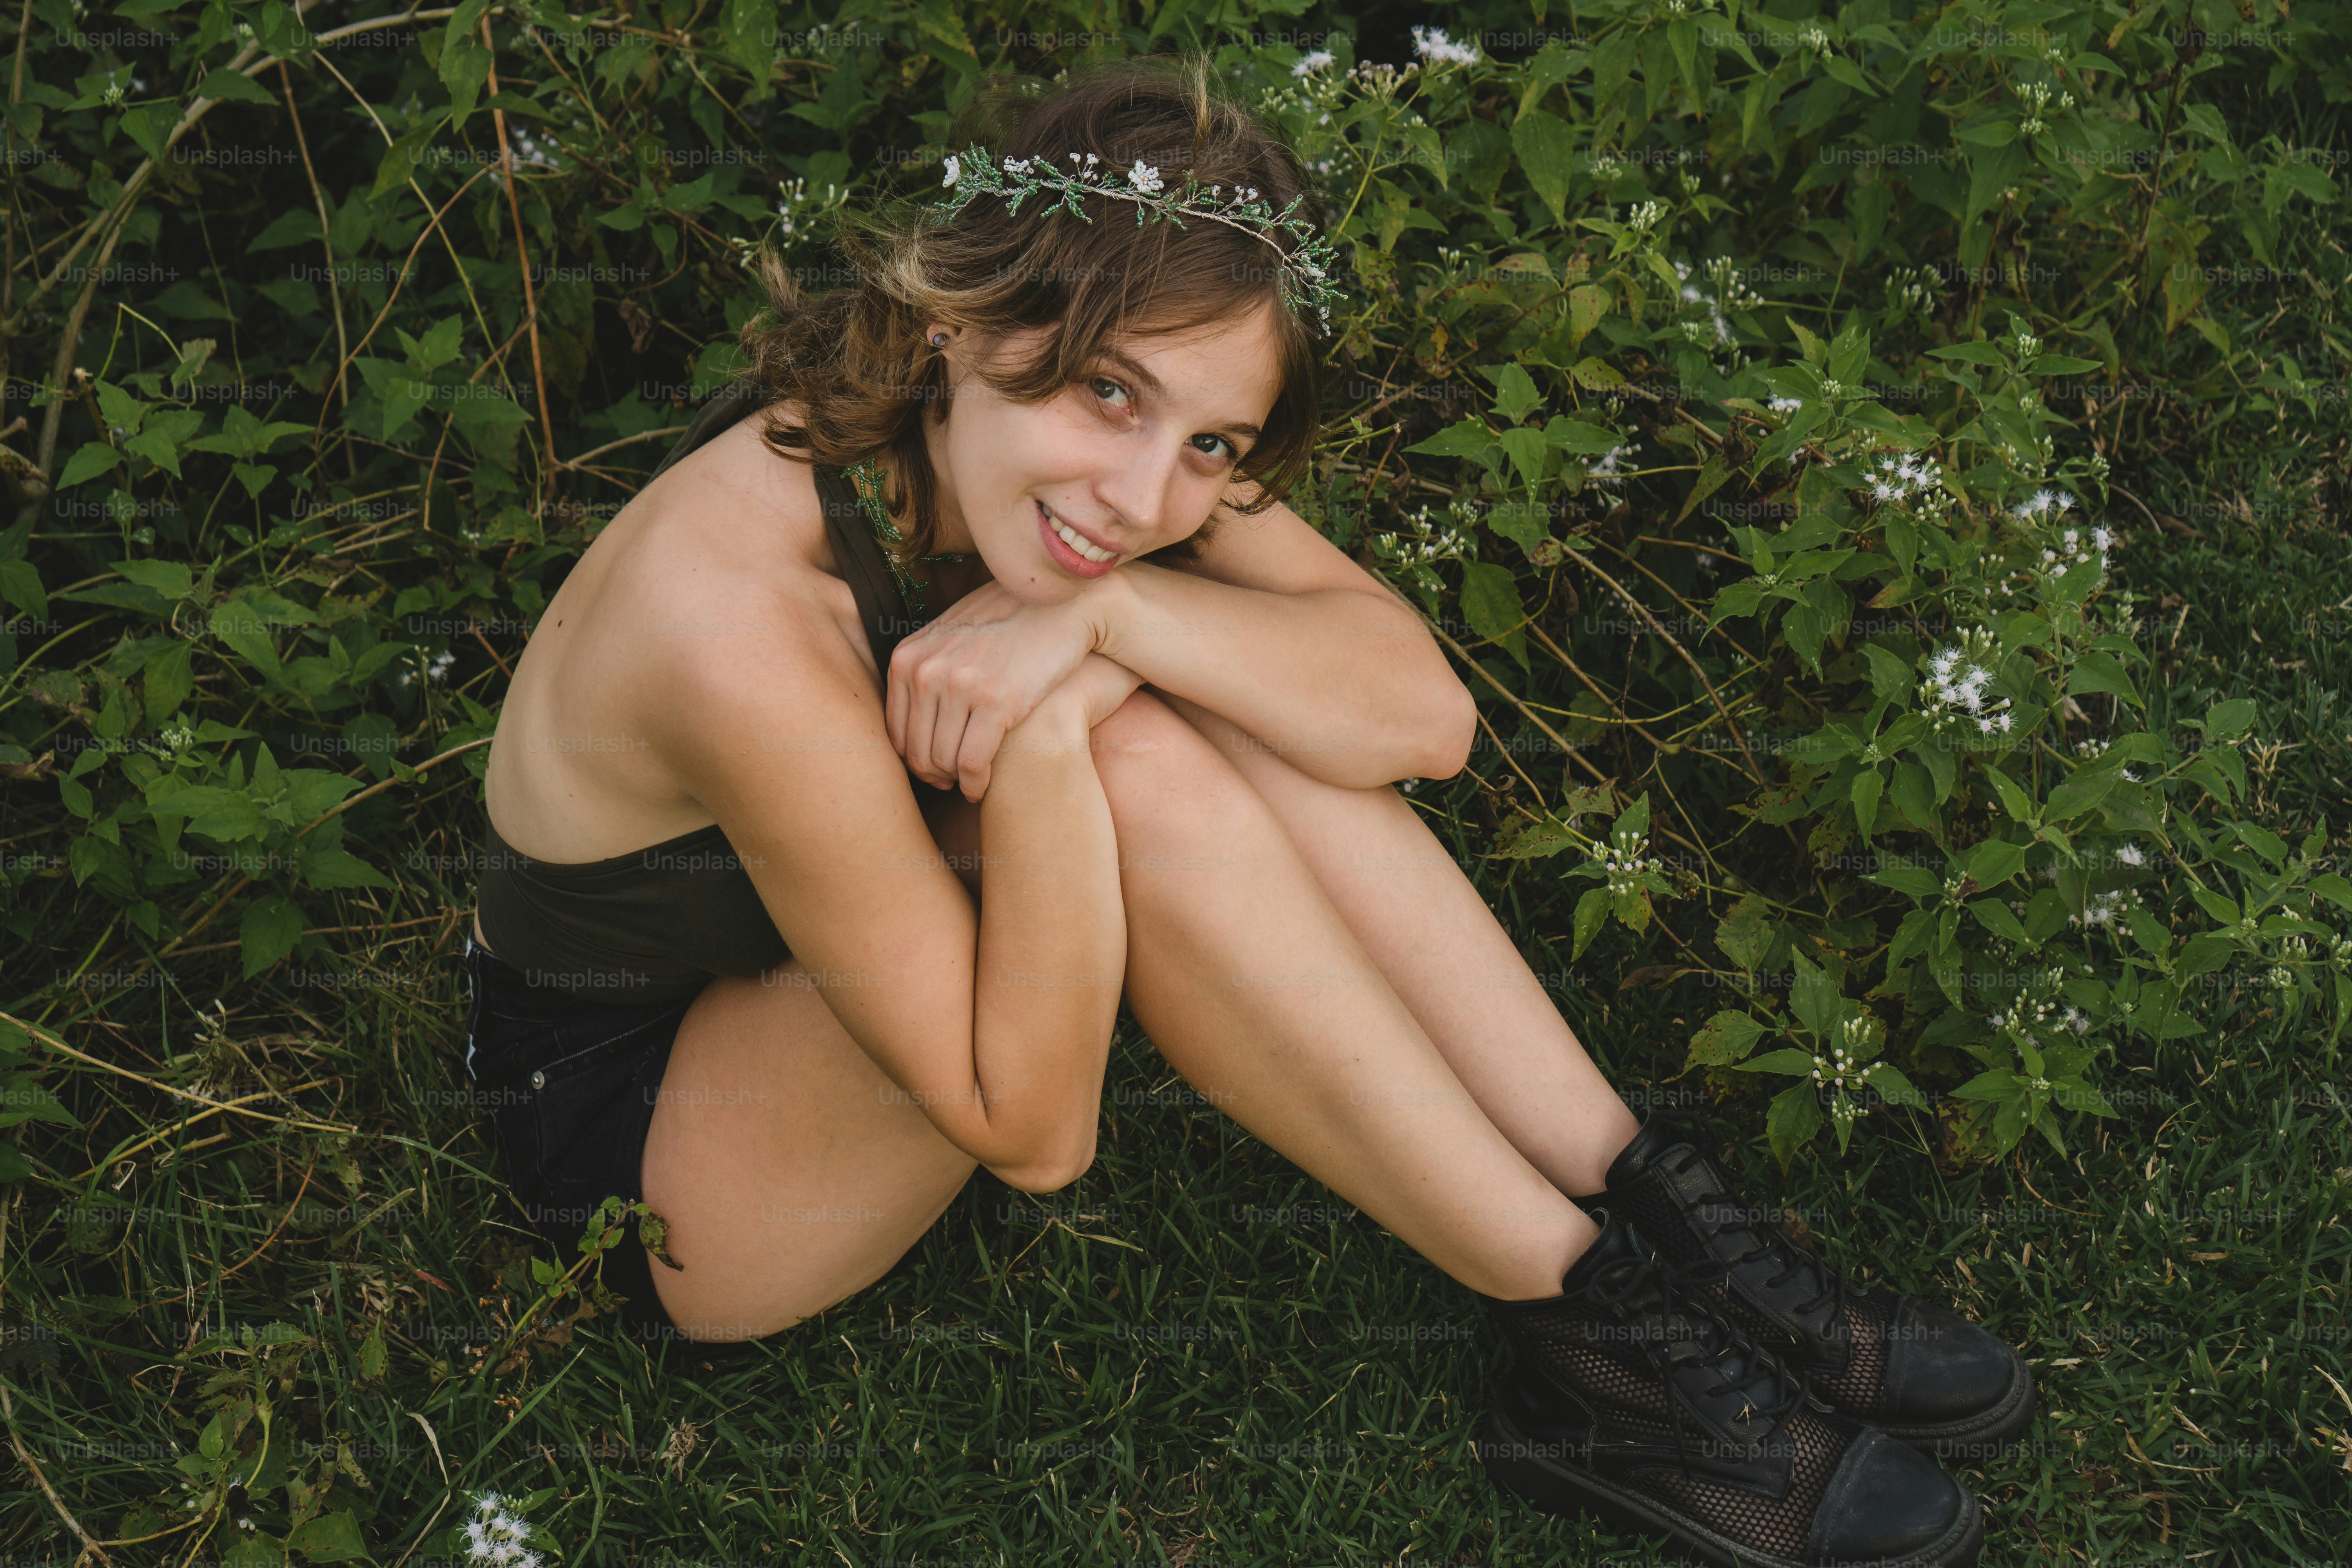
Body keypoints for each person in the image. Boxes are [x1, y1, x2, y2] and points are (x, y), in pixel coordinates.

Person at [460, 56, 2028, 1568]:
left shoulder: (1111, 466)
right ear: (962, 320)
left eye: (1210, 443)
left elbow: (1421, 719)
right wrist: (1063, 729)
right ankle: (1600, 1343)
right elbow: (1032, 1132)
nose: (1145, 499)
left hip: (845, 963)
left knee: (1206, 676)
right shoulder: (738, 623)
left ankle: (1657, 1211)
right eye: (1110, 395)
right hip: (663, 1150)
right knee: (1134, 749)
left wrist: (1118, 619)